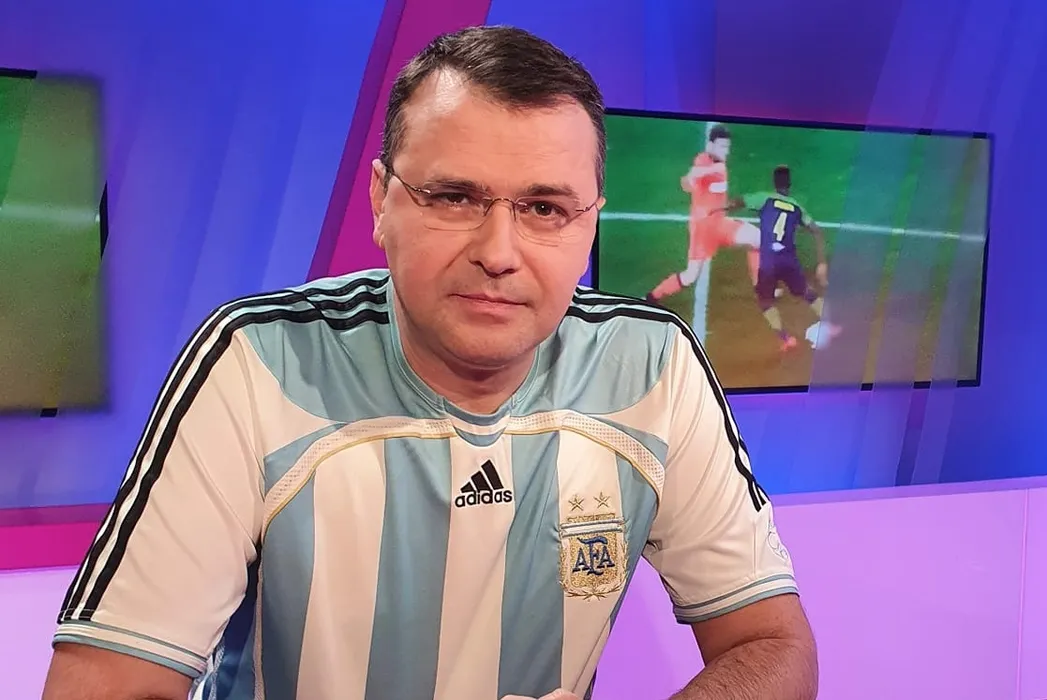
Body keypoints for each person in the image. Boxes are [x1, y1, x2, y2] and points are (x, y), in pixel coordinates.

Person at [41, 25, 817, 700]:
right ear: (381, 200)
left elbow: (774, 645)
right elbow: (104, 687)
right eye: (454, 197)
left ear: (589, 226)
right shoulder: (256, 362)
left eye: (544, 208)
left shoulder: (654, 364)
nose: (499, 252)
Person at [644, 124, 762, 303]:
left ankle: (760, 288)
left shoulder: (718, 163)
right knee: (690, 276)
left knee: (757, 238)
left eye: (727, 147)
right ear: (711, 146)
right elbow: (690, 180)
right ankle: (651, 297)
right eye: (722, 146)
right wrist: (700, 174)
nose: (725, 151)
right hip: (703, 230)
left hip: (720, 224)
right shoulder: (703, 161)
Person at [733, 165, 839, 351]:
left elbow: (739, 201)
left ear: (774, 183)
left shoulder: (764, 198)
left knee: (765, 302)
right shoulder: (797, 207)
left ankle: (786, 339)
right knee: (807, 293)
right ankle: (831, 325)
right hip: (789, 261)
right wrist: (821, 263)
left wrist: (722, 207)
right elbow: (816, 231)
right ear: (789, 185)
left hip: (769, 264)